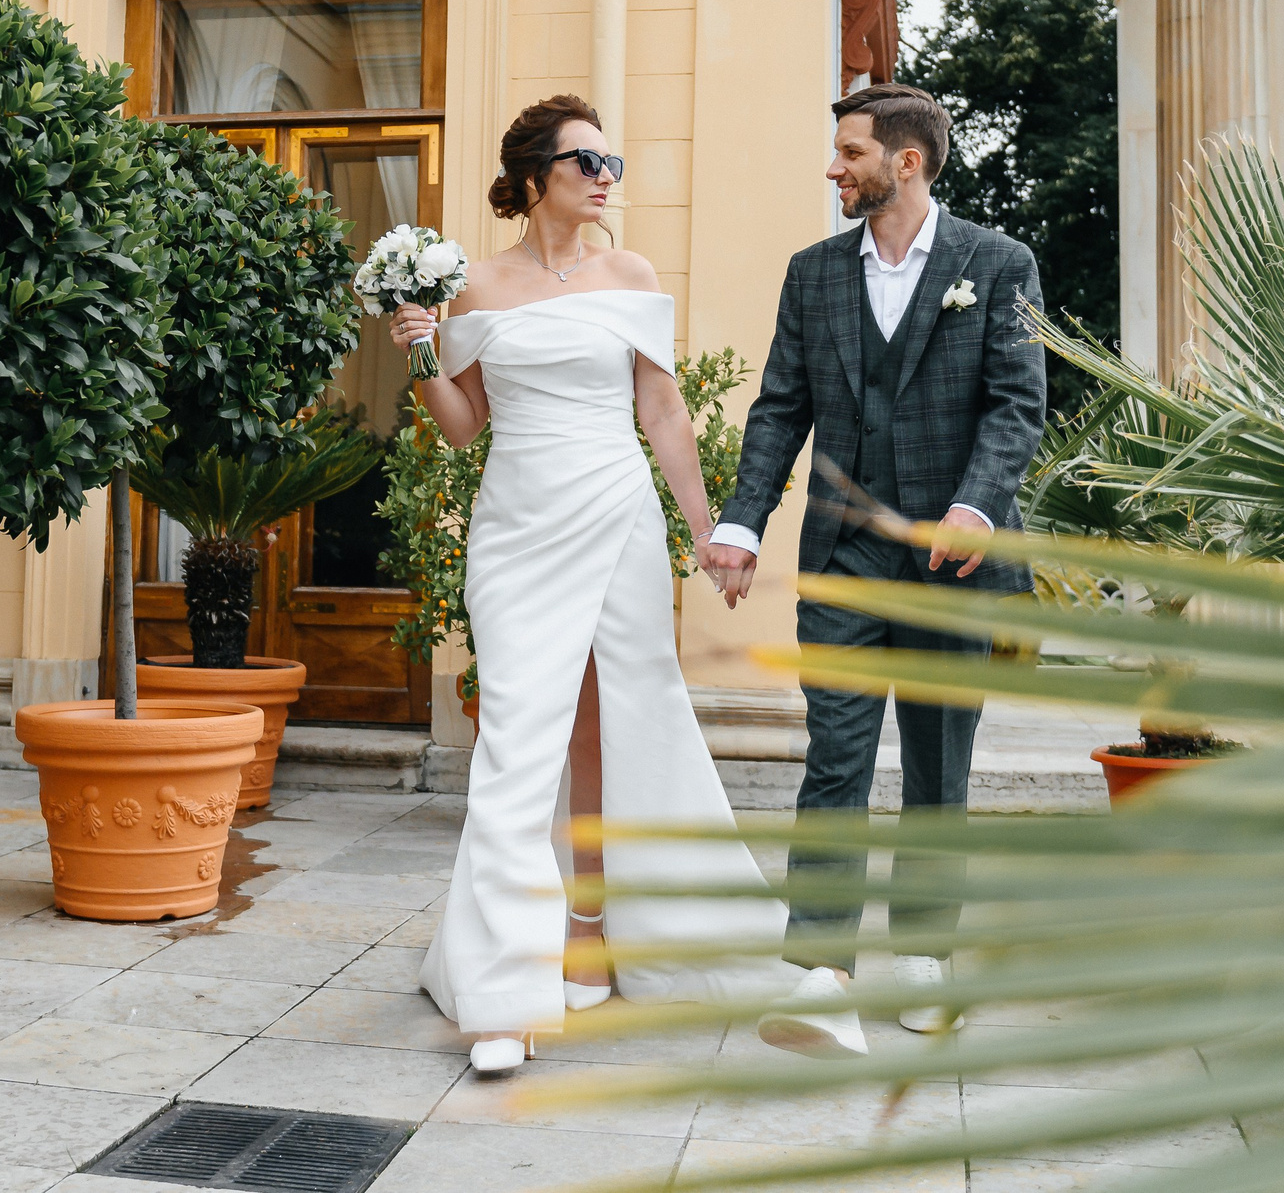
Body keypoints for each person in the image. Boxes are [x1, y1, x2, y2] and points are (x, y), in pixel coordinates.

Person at [389, 95, 796, 1076]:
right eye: (586, 161)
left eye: (612, 161)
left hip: (615, 514)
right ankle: (501, 988)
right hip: (516, 526)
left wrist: (709, 531)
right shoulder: (475, 285)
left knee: (616, 722)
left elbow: (663, 409)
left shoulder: (630, 274)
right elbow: (462, 426)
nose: (606, 176)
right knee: (515, 735)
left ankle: (590, 924)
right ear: (535, 176)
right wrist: (418, 348)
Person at [701, 82, 1047, 1057]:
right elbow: (780, 406)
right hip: (843, 556)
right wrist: (743, 520)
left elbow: (1016, 403)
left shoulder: (999, 263)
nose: (833, 167)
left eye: (849, 152)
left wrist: (976, 505)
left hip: (951, 559)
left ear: (907, 160)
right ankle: (822, 970)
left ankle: (928, 956)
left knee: (937, 766)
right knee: (836, 759)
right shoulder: (813, 273)